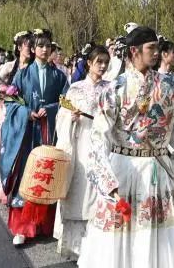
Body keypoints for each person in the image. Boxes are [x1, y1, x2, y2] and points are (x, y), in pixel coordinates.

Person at [77, 27, 174, 267]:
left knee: (156, 240)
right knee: (119, 242)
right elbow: (98, 139)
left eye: (157, 48)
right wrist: (107, 181)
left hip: (158, 171)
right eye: (151, 48)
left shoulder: (170, 88)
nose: (156, 53)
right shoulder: (113, 90)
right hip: (123, 172)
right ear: (134, 51)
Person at [0, 31, 69, 246]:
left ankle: (44, 225)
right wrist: (26, 111)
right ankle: (22, 228)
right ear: (33, 49)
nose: (45, 50)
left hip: (48, 132)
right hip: (28, 133)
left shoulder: (59, 76)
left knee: (46, 174)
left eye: (48, 46)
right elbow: (10, 100)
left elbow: (67, 101)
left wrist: (52, 108)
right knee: (27, 175)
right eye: (40, 46)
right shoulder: (22, 73)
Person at [54, 45, 109, 260]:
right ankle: (78, 248)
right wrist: (72, 118)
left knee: (100, 191)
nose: (103, 66)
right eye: (99, 62)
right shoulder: (75, 88)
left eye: (106, 62)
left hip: (104, 143)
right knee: (80, 191)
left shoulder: (110, 88)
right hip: (81, 143)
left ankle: (100, 245)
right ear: (89, 63)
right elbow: (62, 117)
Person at [0, 31, 33, 203]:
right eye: (27, 45)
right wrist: (8, 94)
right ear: (18, 47)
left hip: (29, 113)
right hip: (9, 112)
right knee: (8, 148)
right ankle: (6, 189)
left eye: (32, 45)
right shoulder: (9, 67)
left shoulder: (34, 68)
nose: (30, 48)